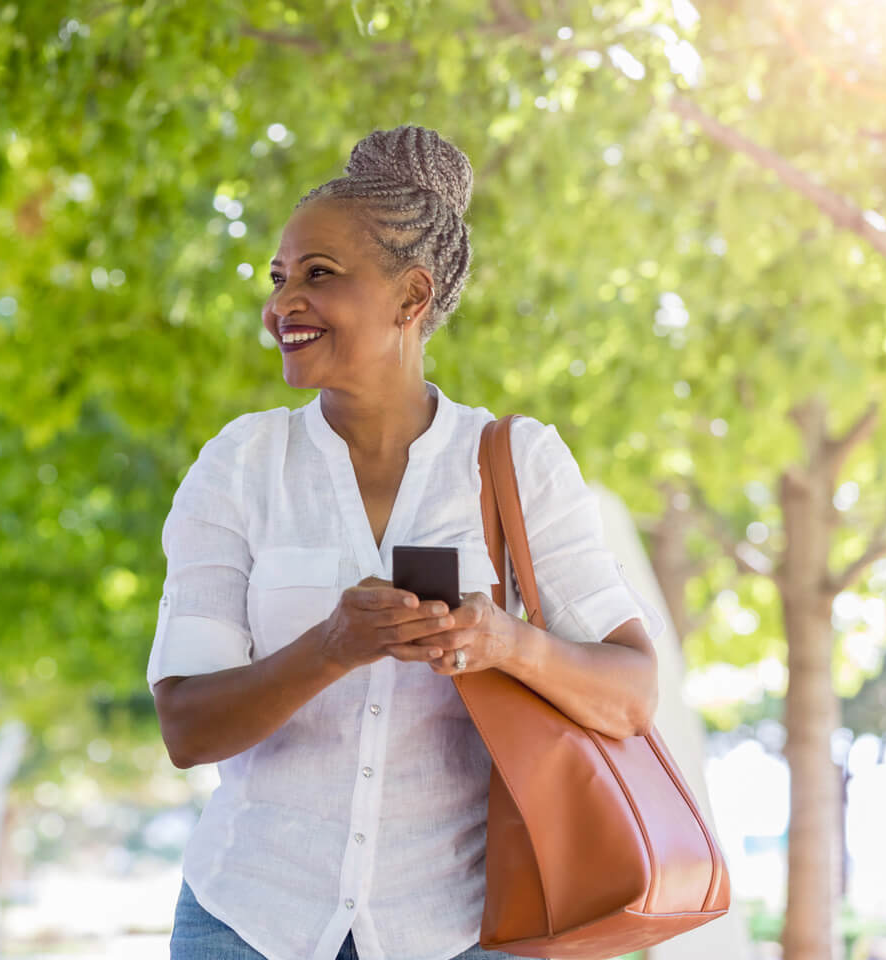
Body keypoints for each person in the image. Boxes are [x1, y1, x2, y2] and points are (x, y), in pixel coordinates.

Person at [146, 125, 668, 960]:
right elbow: (185, 727)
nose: (284, 304)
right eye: (280, 279)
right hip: (248, 918)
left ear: (412, 297)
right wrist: (332, 646)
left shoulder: (517, 463)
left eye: (320, 276)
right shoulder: (240, 465)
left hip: (459, 926)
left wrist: (505, 642)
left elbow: (633, 692)